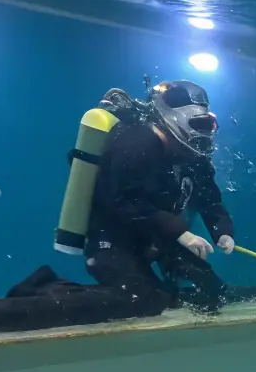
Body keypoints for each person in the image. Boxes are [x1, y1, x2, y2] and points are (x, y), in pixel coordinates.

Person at [85, 79, 235, 312]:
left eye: (207, 126)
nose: (203, 135)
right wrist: (181, 233)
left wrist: (222, 231)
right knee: (144, 301)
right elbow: (124, 200)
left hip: (159, 237)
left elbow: (209, 198)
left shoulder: (193, 156)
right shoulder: (135, 144)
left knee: (213, 292)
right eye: (198, 125)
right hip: (114, 241)